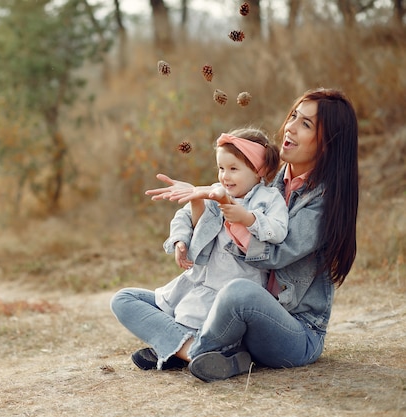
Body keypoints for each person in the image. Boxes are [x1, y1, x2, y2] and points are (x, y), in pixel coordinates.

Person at [112, 87, 359, 382]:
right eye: (294, 115)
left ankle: (176, 346)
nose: (290, 126)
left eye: (305, 124)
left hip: (293, 331)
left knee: (238, 292)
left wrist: (228, 209)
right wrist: (196, 198)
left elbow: (277, 255)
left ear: (327, 143)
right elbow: (213, 208)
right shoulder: (266, 180)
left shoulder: (323, 201)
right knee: (125, 298)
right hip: (234, 316)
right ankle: (194, 351)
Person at [110, 127, 287, 371]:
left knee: (203, 320)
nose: (225, 176)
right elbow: (183, 218)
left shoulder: (268, 199)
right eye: (221, 168)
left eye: (234, 168)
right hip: (192, 289)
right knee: (123, 299)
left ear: (260, 172)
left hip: (227, 301)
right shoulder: (213, 191)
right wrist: (181, 239)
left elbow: (278, 231)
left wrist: (247, 218)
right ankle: (191, 352)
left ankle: (185, 349)